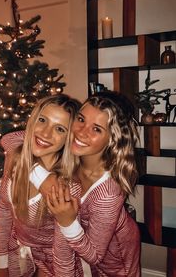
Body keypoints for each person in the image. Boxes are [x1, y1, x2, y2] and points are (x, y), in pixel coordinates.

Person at [46, 91, 141, 276]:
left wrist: (67, 222)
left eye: (97, 129)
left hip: (116, 262)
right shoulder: (71, 155)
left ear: (112, 139)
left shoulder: (108, 192)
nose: (81, 132)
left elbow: (94, 256)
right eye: (81, 119)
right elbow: (11, 140)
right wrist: (42, 177)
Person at [0, 94, 83, 277]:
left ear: (69, 138)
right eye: (42, 120)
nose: (45, 133)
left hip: (53, 262)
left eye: (59, 129)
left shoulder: (67, 188)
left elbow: (64, 254)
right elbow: (4, 210)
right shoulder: (15, 157)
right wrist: (0, 263)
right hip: (17, 250)